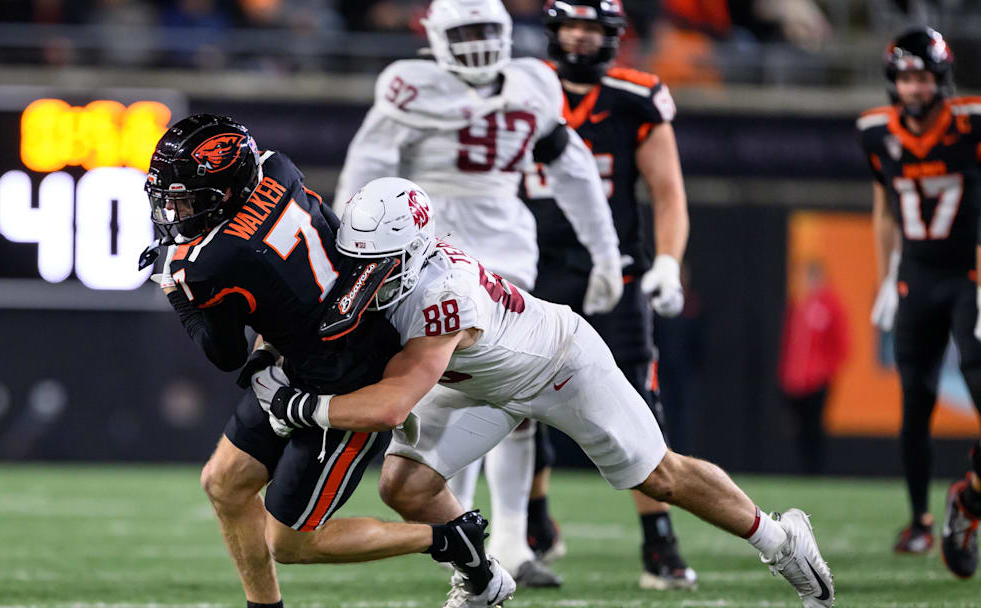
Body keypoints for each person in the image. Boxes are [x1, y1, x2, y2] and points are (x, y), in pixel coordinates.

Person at [255, 177, 836, 608]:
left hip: (559, 365)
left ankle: (781, 539)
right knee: (405, 486)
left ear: (415, 251)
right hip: (475, 384)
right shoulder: (373, 261)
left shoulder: (443, 295)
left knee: (660, 476)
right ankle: (482, 579)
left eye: (380, 262)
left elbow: (390, 406)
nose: (366, 274)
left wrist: (299, 407)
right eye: (360, 260)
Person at [142, 114, 515, 608]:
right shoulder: (279, 170)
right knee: (224, 483)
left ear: (228, 190)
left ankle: (448, 538)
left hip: (341, 377)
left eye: (189, 199)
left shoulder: (215, 260)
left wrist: (179, 293)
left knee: (291, 543)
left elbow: (224, 353)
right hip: (304, 353)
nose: (177, 211)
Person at [333, 0, 625, 587]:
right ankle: (467, 540)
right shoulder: (408, 87)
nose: (476, 44)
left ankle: (513, 541)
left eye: (485, 31)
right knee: (446, 396)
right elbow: (365, 173)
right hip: (428, 250)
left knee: (518, 398)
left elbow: (573, 171)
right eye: (463, 32)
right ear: (436, 36)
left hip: (507, 247)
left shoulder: (532, 84)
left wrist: (606, 249)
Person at [520, 0, 697, 590]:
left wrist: (668, 262)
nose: (578, 37)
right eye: (571, 24)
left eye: (591, 27)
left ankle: (659, 541)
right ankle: (532, 521)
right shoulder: (520, 88)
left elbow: (668, 193)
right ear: (552, 29)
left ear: (613, 36)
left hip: (610, 269)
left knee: (639, 403)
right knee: (513, 397)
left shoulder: (633, 97)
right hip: (530, 267)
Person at [859, 27, 981, 564]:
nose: (913, 88)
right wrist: (887, 274)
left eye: (923, 77)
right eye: (906, 77)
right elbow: (884, 207)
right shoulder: (875, 132)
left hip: (969, 275)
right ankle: (919, 521)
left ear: (941, 80)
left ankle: (969, 497)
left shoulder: (969, 125)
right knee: (916, 404)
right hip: (916, 277)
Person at [778, 260, 849, 475]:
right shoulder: (799, 304)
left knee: (814, 429)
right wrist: (786, 374)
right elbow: (790, 343)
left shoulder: (831, 304)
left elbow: (842, 344)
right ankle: (802, 471)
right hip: (795, 382)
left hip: (817, 381)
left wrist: (825, 371)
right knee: (798, 430)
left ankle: (815, 472)